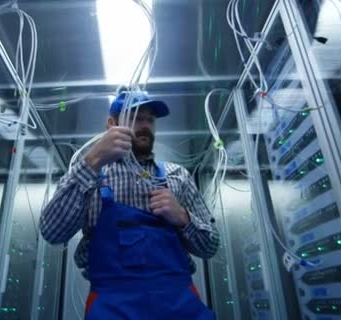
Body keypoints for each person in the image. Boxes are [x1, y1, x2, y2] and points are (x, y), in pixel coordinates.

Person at [40, 90, 220, 319]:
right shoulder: (89, 175)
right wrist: (93, 161)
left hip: (179, 305)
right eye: (136, 118)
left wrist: (183, 217)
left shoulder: (178, 177)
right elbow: (51, 232)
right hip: (112, 307)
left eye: (150, 119)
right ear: (112, 124)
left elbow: (211, 246)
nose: (145, 125)